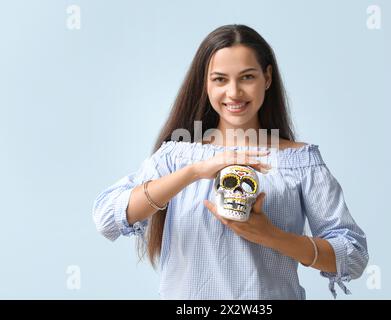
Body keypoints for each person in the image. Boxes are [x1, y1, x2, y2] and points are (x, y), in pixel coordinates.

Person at [92, 24, 368, 299]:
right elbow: (107, 218)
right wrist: (195, 171)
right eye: (220, 79)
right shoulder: (177, 157)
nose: (234, 93)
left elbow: (353, 255)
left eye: (247, 77)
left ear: (267, 78)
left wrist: (269, 235)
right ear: (205, 83)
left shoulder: (299, 162)